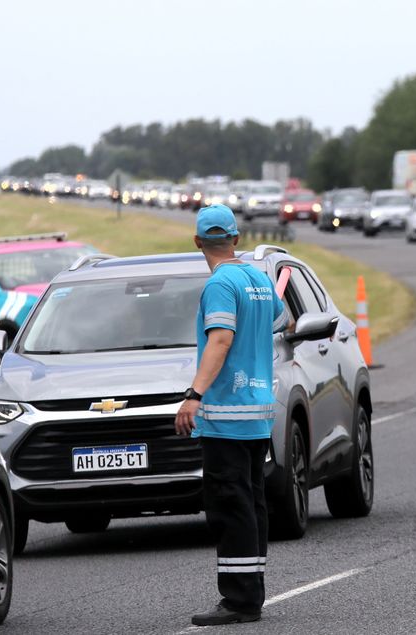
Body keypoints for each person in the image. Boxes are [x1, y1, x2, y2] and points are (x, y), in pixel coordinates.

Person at [175, 205, 286, 626]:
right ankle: (250, 591)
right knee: (251, 502)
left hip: (227, 414)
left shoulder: (220, 284)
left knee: (229, 505)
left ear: (198, 242)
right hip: (257, 412)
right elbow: (281, 319)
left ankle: (239, 600)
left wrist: (194, 395)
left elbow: (220, 340)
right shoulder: (258, 278)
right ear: (236, 239)